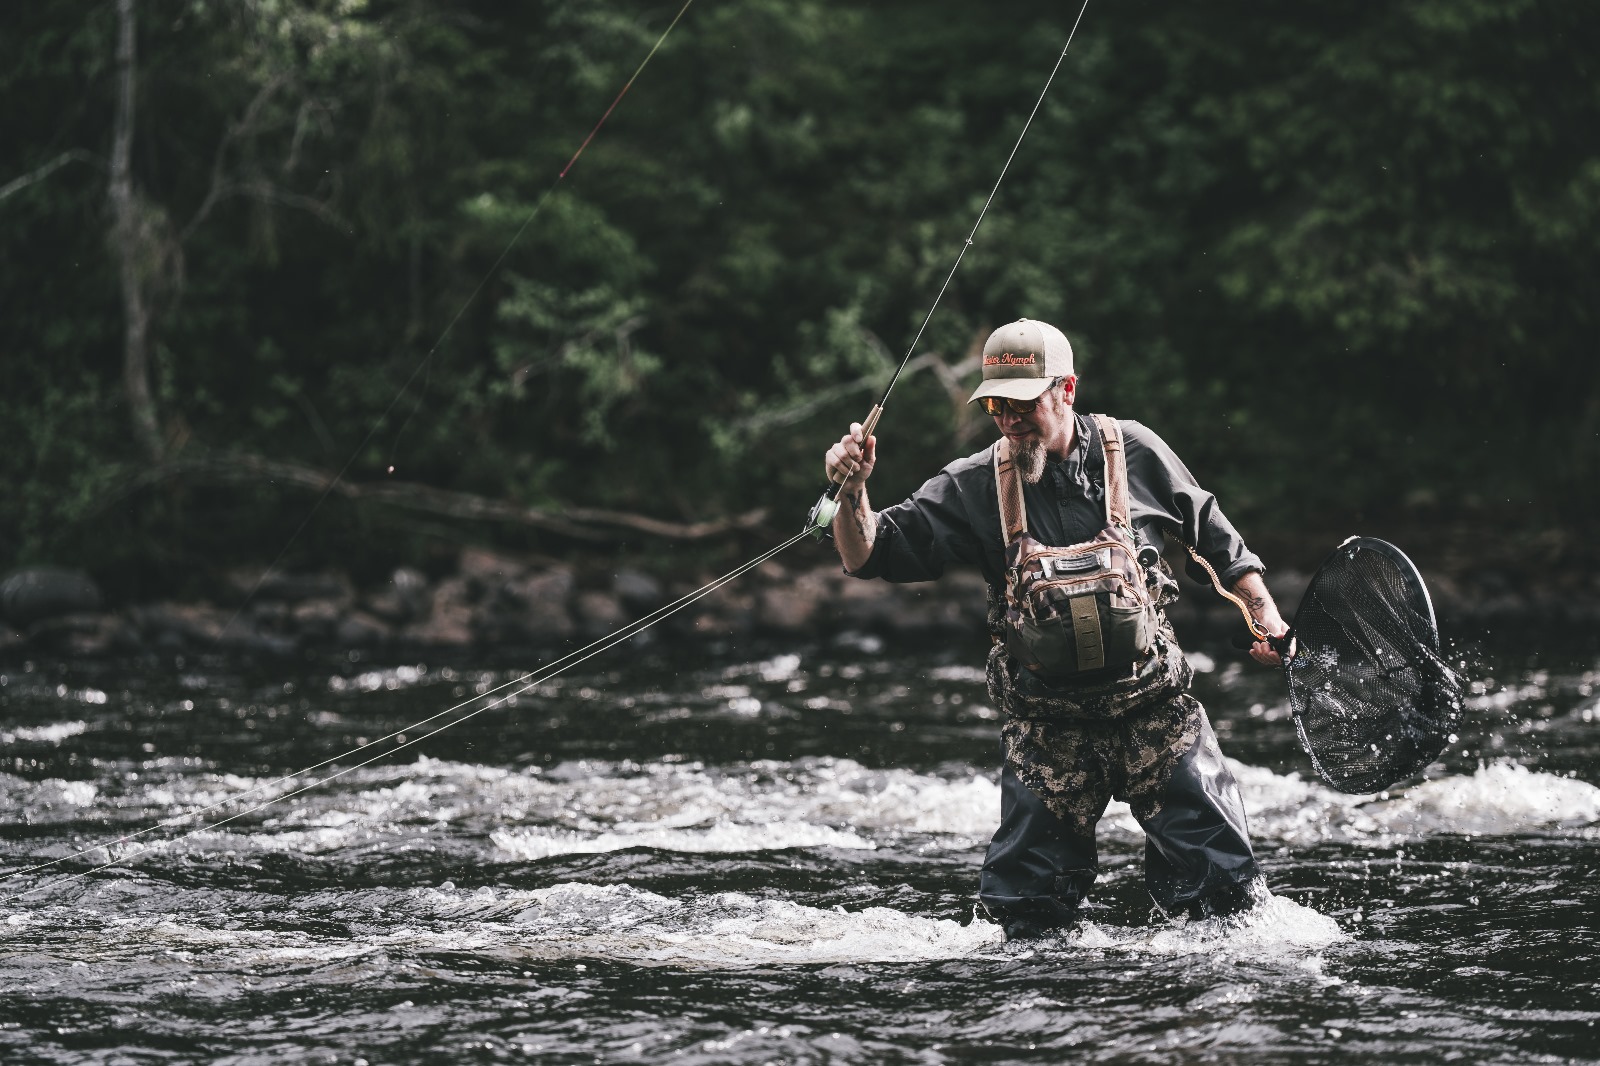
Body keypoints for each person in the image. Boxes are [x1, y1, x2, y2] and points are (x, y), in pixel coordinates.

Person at [823, 318, 1289, 939]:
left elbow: (1214, 536)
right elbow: (867, 554)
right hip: (1048, 731)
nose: (1009, 421)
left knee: (1227, 902)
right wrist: (854, 490)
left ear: (1067, 390)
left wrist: (1266, 617)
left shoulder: (1139, 451)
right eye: (995, 406)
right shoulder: (973, 483)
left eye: (1022, 404)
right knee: (1021, 923)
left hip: (1154, 713)